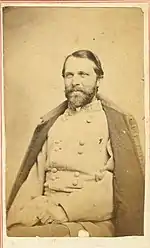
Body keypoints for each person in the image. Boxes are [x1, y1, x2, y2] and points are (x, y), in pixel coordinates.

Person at [6, 50, 145, 237]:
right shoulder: (53, 123)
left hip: (89, 219)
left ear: (99, 80)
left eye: (83, 74)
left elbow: (113, 186)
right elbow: (35, 179)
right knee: (11, 234)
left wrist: (63, 210)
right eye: (69, 75)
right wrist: (16, 217)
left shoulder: (112, 123)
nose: (75, 81)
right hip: (47, 212)